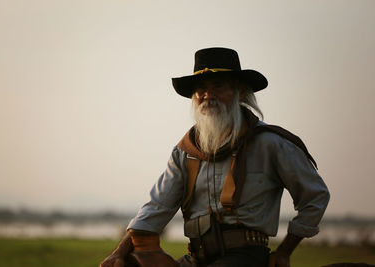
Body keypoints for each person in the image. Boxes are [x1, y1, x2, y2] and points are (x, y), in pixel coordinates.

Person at [100, 47, 330, 267]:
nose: (208, 95)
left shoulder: (271, 143)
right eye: (200, 89)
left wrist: (284, 251)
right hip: (196, 258)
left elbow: (315, 197)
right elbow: (157, 207)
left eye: (218, 86)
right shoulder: (185, 151)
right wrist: (119, 254)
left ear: (240, 92)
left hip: (246, 258)